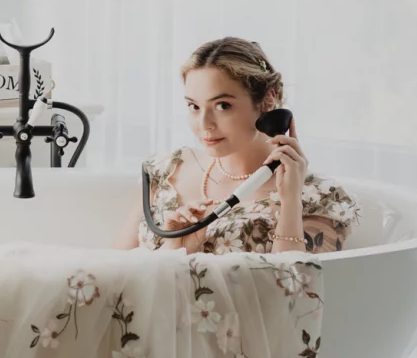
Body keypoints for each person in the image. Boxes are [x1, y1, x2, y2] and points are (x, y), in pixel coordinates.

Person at [114, 35, 362, 254]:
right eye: (194, 106)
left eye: (222, 106)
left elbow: (298, 295)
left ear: (267, 100)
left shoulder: (319, 197)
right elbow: (114, 274)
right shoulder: (167, 170)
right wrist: (174, 249)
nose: (205, 124)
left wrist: (291, 203)